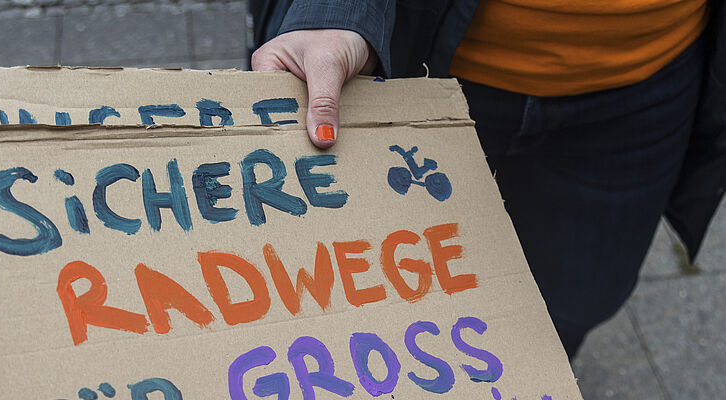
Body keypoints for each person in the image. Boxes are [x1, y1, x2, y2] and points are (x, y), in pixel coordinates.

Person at [250, 0, 725, 358]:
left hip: (646, 77)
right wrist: (337, 10)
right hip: (417, 69)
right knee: (363, 293)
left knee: (576, 299)